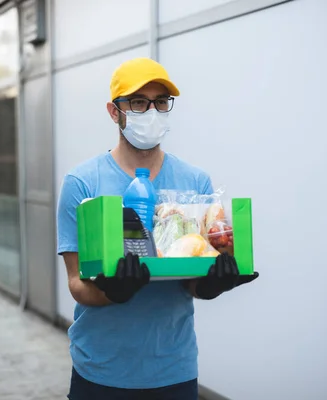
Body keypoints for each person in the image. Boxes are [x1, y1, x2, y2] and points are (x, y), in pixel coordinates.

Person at [57, 57, 258, 400]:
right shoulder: (82, 183)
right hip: (101, 370)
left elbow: (193, 281)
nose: (151, 111)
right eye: (138, 102)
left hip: (172, 369)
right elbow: (77, 283)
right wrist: (112, 293)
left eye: (161, 102)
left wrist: (213, 284)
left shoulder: (195, 182)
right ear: (113, 111)